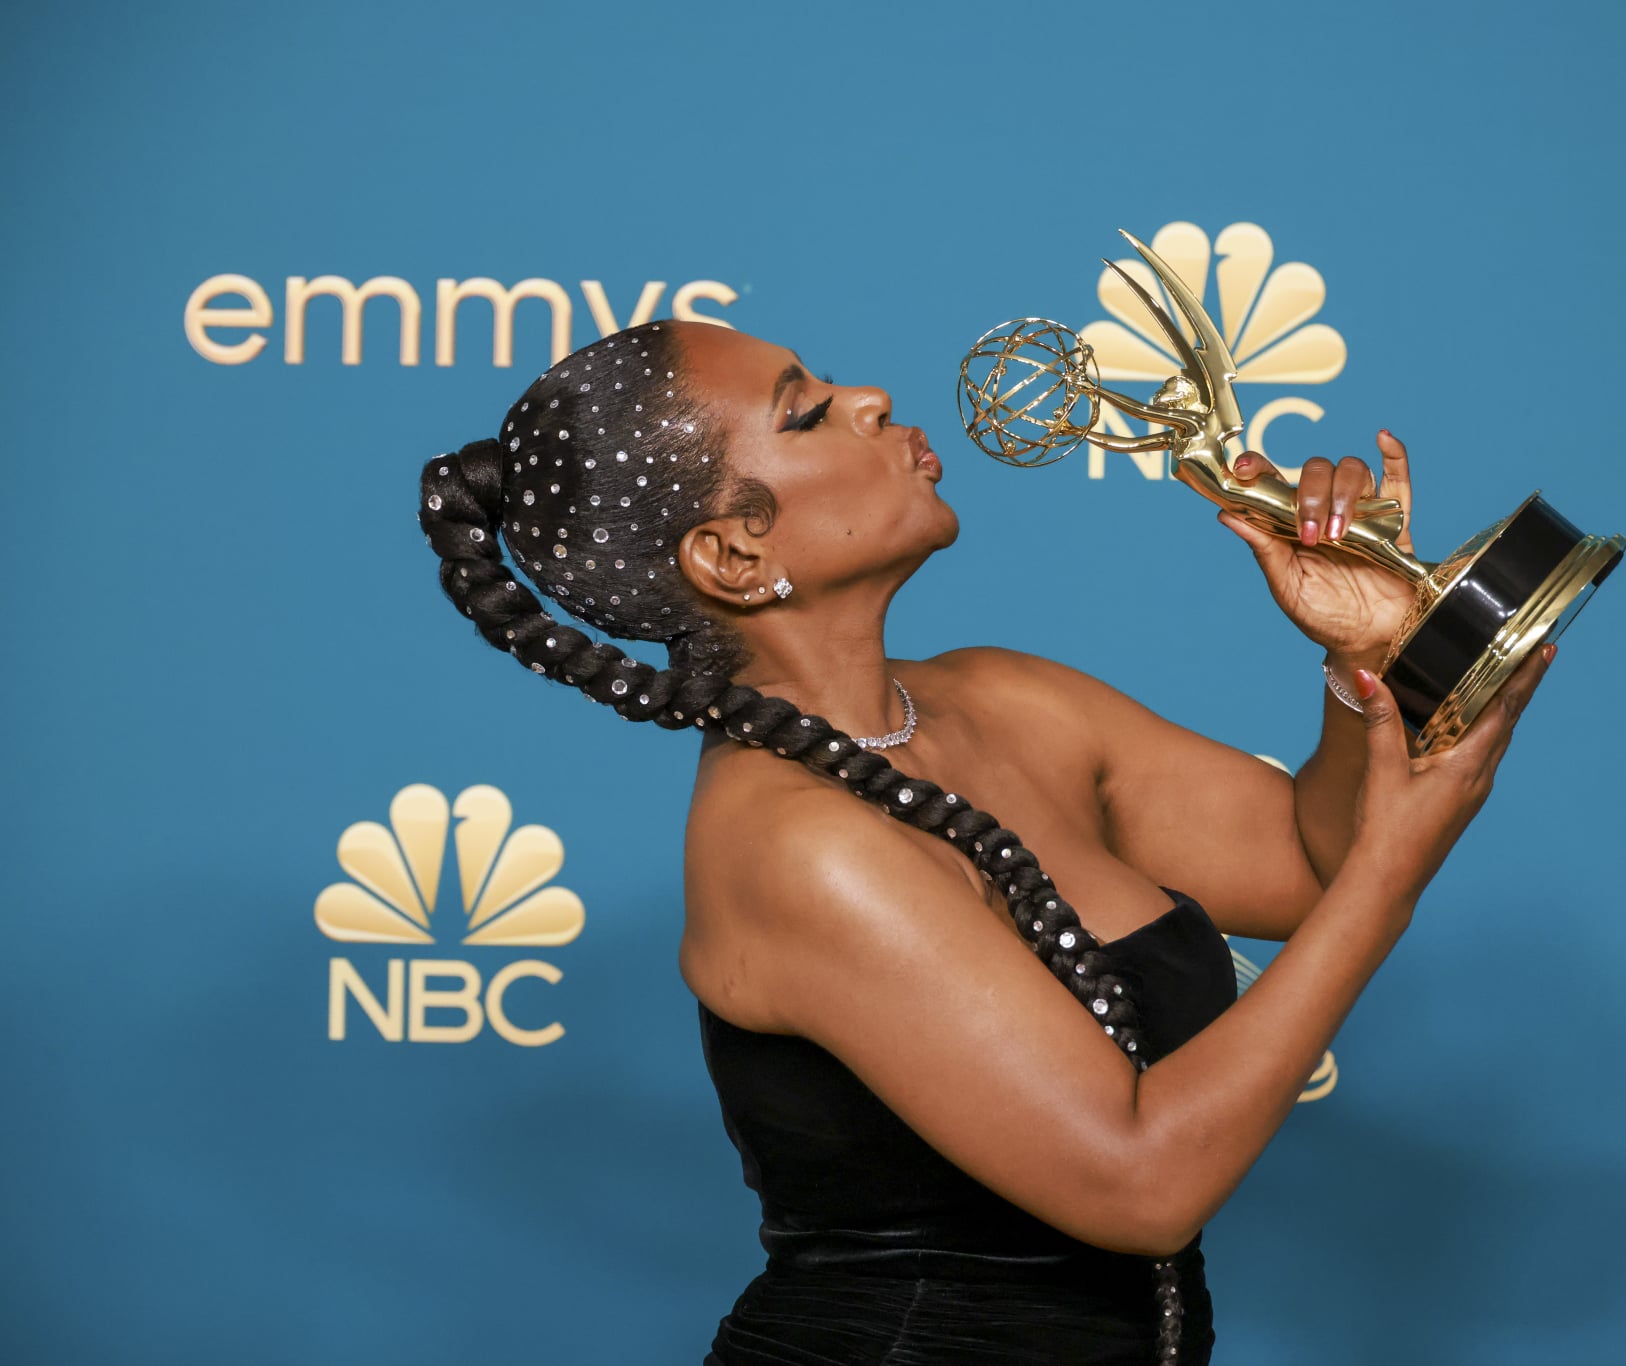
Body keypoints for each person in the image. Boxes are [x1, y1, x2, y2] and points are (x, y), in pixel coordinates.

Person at [416, 318, 1553, 1366]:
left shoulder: (1007, 701)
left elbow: (1308, 865)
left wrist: (1374, 662)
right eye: (805, 411)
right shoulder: (794, 842)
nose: (869, 397)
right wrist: (1391, 881)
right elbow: (1141, 1179)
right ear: (729, 556)